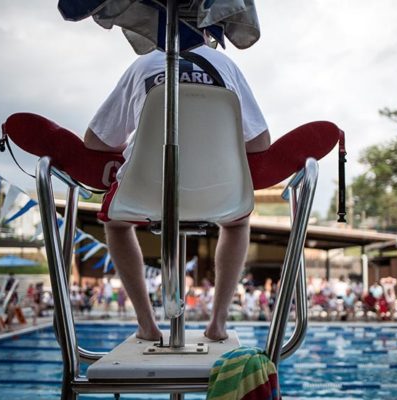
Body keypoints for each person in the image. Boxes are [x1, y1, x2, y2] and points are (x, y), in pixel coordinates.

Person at [84, 32, 270, 341]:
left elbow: (96, 140)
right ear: (208, 31)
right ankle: (218, 324)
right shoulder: (226, 66)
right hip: (219, 192)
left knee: (117, 225)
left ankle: (147, 324)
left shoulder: (141, 66)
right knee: (238, 223)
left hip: (146, 189)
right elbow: (260, 141)